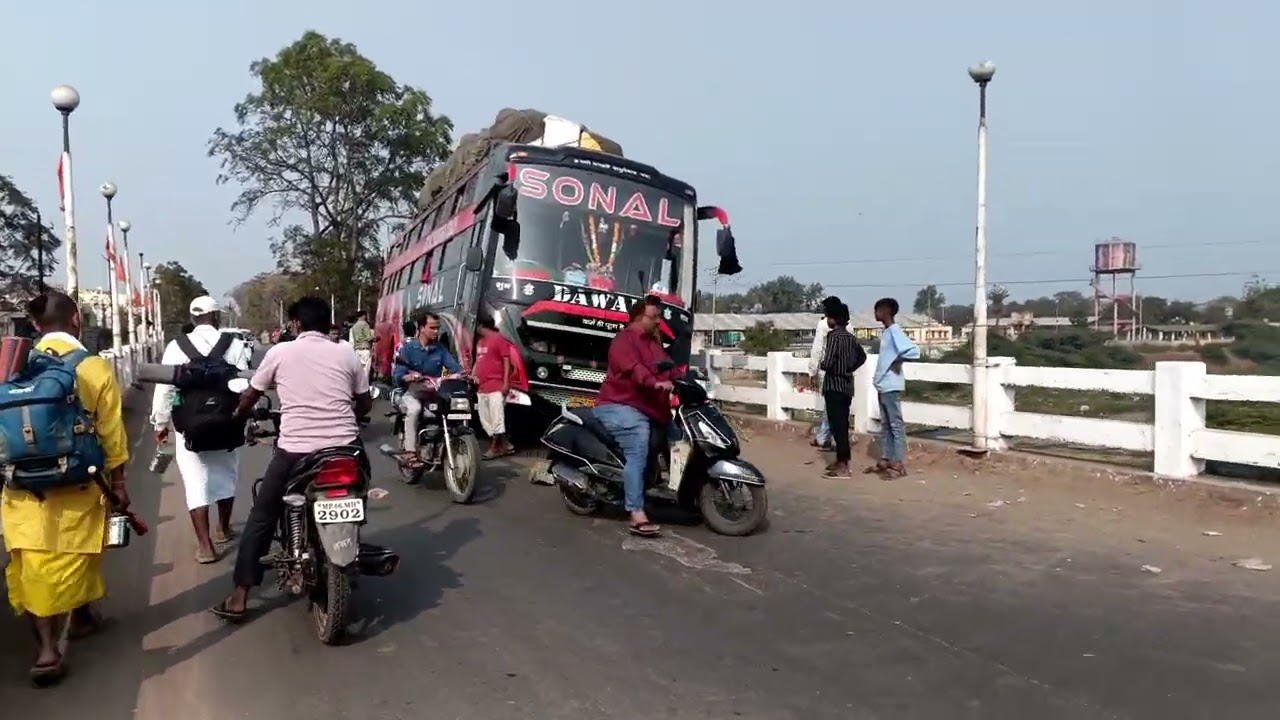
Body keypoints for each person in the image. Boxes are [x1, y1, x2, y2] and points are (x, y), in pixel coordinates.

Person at [212, 296, 372, 622]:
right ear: (328, 323)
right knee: (361, 487)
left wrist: (238, 415)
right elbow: (364, 403)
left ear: (296, 324)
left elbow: (252, 394)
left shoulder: (281, 352)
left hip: (296, 451)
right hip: (345, 448)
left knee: (262, 516)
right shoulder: (345, 352)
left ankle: (240, 594)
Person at [2, 291, 130, 685]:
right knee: (73, 556)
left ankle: (59, 635)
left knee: (34, 565)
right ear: (76, 320)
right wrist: (120, 482)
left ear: (36, 328)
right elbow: (111, 433)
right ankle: (56, 641)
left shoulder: (10, 369)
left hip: (21, 490)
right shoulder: (94, 368)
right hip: (79, 484)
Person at [150, 295, 249, 563]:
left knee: (196, 483)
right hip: (227, 423)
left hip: (188, 427)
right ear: (216, 317)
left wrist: (160, 423)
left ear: (193, 319)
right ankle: (223, 528)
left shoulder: (176, 346)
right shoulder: (234, 345)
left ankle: (205, 547)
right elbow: (243, 385)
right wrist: (244, 419)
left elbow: (166, 389)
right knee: (226, 475)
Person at [593, 295, 675, 537]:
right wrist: (655, 383)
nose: (658, 321)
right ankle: (636, 512)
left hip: (650, 408)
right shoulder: (623, 341)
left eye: (660, 316)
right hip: (620, 406)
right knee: (639, 443)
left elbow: (670, 367)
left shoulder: (654, 343)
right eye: (654, 316)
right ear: (640, 317)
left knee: (680, 436)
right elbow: (636, 370)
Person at [391, 313, 462, 467]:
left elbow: (455, 368)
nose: (436, 332)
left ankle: (437, 448)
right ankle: (410, 453)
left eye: (438, 328)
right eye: (432, 328)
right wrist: (409, 377)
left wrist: (465, 375)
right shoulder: (408, 348)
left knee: (444, 413)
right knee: (415, 410)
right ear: (422, 328)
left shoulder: (441, 350)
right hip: (412, 393)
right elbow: (398, 374)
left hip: (434, 393)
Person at [867, 297, 920, 478]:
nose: (875, 314)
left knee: (895, 426)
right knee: (887, 425)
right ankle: (887, 458)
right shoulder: (888, 332)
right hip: (884, 385)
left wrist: (898, 359)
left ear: (884, 312)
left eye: (877, 311)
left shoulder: (895, 331)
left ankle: (898, 463)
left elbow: (913, 351)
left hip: (891, 385)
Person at [819, 302, 866, 479]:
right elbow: (862, 357)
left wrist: (823, 365)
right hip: (847, 386)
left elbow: (828, 360)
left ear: (833, 319)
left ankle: (844, 465)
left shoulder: (834, 337)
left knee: (837, 426)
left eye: (827, 317)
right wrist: (849, 368)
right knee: (842, 425)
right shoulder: (850, 337)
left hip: (834, 385)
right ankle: (840, 461)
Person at [473, 315, 515, 459]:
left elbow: (506, 361)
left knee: (497, 419)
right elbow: (478, 361)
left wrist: (505, 383)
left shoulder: (498, 339)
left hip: (496, 385)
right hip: (482, 387)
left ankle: (494, 448)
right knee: (486, 420)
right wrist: (472, 376)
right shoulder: (480, 342)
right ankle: (506, 444)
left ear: (481, 325)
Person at [807, 296, 843, 451]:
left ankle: (824, 437)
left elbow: (817, 349)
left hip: (826, 369)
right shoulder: (848, 325)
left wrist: (812, 371)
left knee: (829, 405)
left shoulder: (823, 324)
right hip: (842, 371)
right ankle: (826, 436)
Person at [350, 310, 375, 380]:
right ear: (363, 316)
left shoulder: (354, 326)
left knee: (358, 371)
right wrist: (376, 338)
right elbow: (369, 338)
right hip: (365, 350)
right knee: (366, 371)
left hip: (357, 350)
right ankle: (365, 387)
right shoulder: (365, 324)